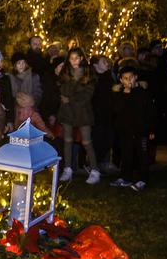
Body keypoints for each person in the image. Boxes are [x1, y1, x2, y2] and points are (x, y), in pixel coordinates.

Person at [57, 47, 100, 184]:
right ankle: (67, 168)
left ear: (81, 58)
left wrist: (71, 99)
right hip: (67, 112)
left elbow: (87, 95)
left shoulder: (88, 74)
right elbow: (63, 91)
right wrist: (72, 81)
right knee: (68, 140)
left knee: (86, 141)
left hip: (83, 112)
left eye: (76, 58)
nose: (73, 61)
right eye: (71, 58)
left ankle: (95, 170)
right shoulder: (65, 74)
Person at [110, 65, 154, 191]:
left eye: (131, 77)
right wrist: (124, 94)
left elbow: (149, 111)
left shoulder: (143, 93)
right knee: (126, 154)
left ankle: (143, 179)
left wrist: (151, 129)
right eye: (125, 78)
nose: (128, 80)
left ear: (136, 78)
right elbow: (116, 110)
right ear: (121, 80)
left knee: (142, 156)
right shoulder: (119, 95)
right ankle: (125, 177)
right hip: (125, 131)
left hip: (141, 131)